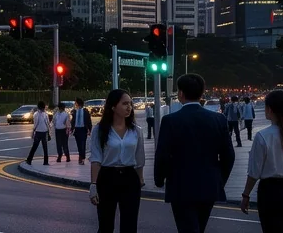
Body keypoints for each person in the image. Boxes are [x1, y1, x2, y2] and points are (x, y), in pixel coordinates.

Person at [154, 74, 236, 233]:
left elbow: (162, 154)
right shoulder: (218, 119)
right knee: (199, 226)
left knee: (187, 228)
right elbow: (228, 156)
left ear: (180, 93)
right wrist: (219, 179)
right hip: (209, 184)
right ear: (202, 93)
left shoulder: (171, 120)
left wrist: (159, 179)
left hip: (180, 185)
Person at [240, 90, 283, 233]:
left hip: (270, 193)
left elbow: (254, 172)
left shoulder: (262, 136)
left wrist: (246, 195)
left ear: (269, 109)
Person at [89, 89, 145, 233]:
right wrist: (93, 185)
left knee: (130, 225)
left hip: (129, 177)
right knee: (106, 224)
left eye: (130, 104)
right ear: (113, 106)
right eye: (124, 103)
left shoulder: (136, 131)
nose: (129, 107)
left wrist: (140, 178)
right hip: (107, 177)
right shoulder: (100, 130)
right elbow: (96, 159)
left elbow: (139, 158)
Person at [72, 98, 93, 166]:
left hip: (83, 129)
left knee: (82, 144)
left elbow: (89, 121)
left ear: (78, 103)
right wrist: (71, 129)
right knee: (79, 145)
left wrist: (90, 129)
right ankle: (81, 156)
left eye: (75, 103)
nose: (75, 104)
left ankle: (82, 158)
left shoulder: (85, 111)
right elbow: (73, 121)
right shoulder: (75, 111)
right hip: (77, 130)